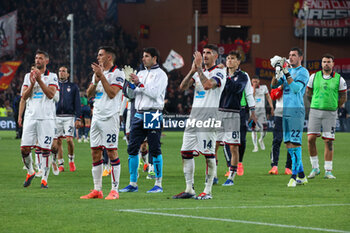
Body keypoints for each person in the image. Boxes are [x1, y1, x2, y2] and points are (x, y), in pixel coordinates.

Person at [172, 44, 226, 200]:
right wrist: (192, 70)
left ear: (216, 56)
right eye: (203, 53)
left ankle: (207, 191)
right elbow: (182, 87)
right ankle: (189, 189)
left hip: (209, 119)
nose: (205, 55)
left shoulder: (220, 72)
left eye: (208, 53)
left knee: (208, 155)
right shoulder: (198, 72)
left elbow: (209, 85)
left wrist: (200, 70)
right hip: (193, 118)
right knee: (186, 152)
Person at [119, 47, 168, 194]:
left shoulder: (161, 75)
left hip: (153, 113)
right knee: (132, 148)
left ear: (154, 58)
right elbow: (132, 96)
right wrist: (128, 85)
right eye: (143, 56)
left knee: (154, 148)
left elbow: (154, 93)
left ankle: (158, 184)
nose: (143, 58)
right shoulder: (140, 73)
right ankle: (133, 183)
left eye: (146, 56)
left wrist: (139, 83)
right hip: (138, 114)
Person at [80, 46, 125, 200]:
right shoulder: (98, 73)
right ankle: (97, 190)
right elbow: (89, 94)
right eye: (98, 55)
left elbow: (112, 93)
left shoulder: (118, 73)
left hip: (110, 117)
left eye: (101, 55)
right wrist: (96, 79)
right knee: (95, 152)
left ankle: (114, 190)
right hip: (97, 117)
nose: (98, 57)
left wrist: (102, 77)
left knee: (111, 152)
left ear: (109, 58)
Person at [271, 47, 309, 187]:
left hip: (296, 111)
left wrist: (286, 72)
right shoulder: (289, 71)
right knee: (288, 143)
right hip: (285, 111)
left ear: (300, 57)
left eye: (293, 55)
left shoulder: (303, 72)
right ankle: (302, 175)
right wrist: (277, 71)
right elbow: (273, 85)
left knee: (295, 143)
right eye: (289, 55)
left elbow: (296, 89)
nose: (290, 57)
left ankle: (294, 176)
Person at [20, 50, 58, 189]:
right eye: (36, 58)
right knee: (24, 149)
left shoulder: (52, 77)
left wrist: (40, 81)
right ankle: (30, 172)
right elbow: (24, 96)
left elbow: (50, 95)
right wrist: (31, 83)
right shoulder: (27, 76)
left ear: (46, 61)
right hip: (30, 117)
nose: (37, 60)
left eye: (41, 58)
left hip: (46, 119)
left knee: (45, 150)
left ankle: (44, 179)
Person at [217, 50, 256, 186]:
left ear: (238, 61)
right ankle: (213, 174)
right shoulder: (220, 74)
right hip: (218, 113)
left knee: (233, 146)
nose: (229, 60)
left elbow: (238, 89)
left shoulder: (243, 76)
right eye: (228, 58)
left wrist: (252, 111)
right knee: (214, 145)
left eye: (233, 58)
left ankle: (231, 177)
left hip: (233, 113)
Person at [306, 54, 347, 179]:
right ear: (321, 63)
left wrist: (335, 106)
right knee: (311, 139)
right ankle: (315, 168)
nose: (326, 64)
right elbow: (309, 92)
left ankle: (328, 170)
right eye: (324, 62)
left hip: (330, 113)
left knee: (328, 141)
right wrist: (314, 103)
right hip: (315, 111)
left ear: (333, 64)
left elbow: (343, 96)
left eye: (329, 62)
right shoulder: (314, 76)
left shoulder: (339, 79)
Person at [52, 66, 82, 173]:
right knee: (58, 141)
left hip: (69, 116)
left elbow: (78, 103)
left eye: (64, 71)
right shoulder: (54, 86)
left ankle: (71, 160)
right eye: (60, 71)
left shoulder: (73, 87)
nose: (61, 73)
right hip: (56, 116)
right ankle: (60, 163)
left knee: (69, 139)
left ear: (68, 74)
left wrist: (78, 117)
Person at [268, 86, 292, 175]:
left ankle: (288, 167)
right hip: (279, 114)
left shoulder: (294, 81)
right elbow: (273, 96)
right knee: (277, 139)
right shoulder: (277, 83)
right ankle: (274, 166)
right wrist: (281, 88)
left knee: (290, 141)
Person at [251, 76, 274, 152]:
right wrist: (254, 87)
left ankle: (261, 139)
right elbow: (252, 97)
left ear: (259, 81)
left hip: (262, 112)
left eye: (256, 82)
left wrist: (271, 106)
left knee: (264, 129)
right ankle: (255, 146)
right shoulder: (249, 88)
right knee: (254, 130)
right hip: (253, 113)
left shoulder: (264, 87)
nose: (255, 83)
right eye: (253, 82)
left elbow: (268, 97)